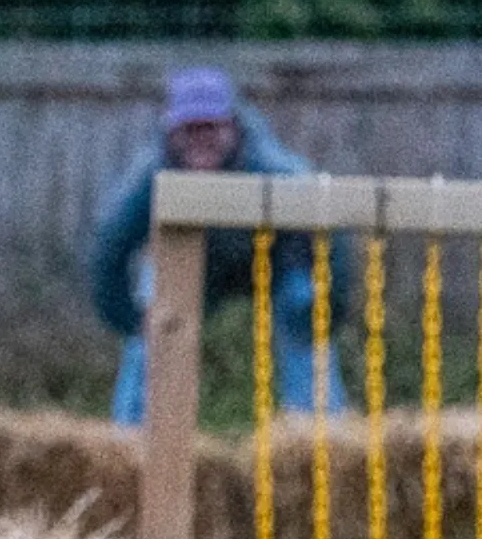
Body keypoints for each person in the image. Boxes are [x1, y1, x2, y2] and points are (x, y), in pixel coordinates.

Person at [90, 67, 348, 425]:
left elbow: (331, 227)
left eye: (210, 128)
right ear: (170, 130)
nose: (200, 139)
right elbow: (108, 246)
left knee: (304, 309)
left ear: (232, 127)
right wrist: (131, 319)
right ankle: (133, 439)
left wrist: (329, 307)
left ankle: (320, 434)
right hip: (194, 263)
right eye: (189, 129)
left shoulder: (274, 168)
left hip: (276, 261)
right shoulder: (152, 175)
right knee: (153, 317)